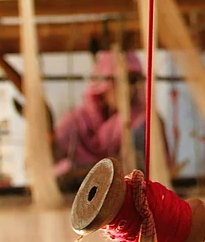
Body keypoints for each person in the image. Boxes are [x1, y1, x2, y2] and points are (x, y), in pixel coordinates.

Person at [53, 50, 167, 184]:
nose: (127, 89)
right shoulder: (74, 123)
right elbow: (53, 169)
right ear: (103, 82)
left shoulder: (144, 122)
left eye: (132, 80)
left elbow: (156, 173)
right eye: (118, 81)